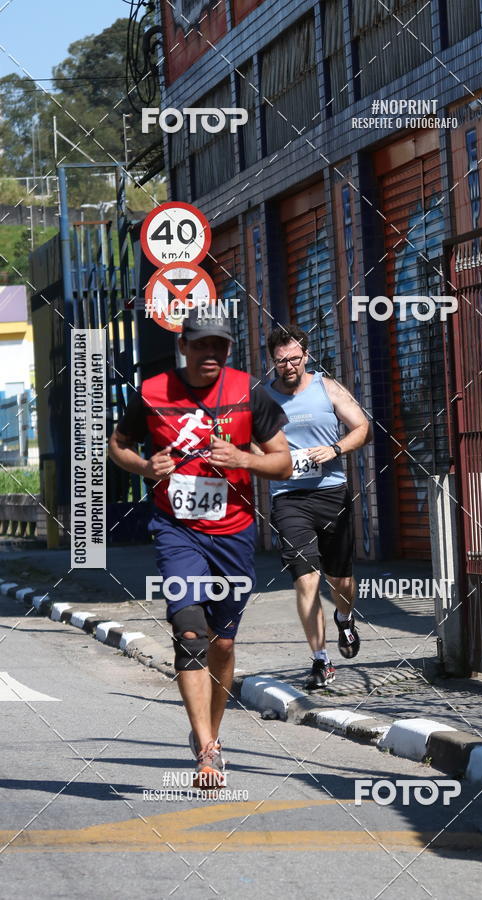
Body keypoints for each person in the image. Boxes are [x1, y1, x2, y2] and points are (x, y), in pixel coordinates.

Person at [108, 308, 291, 785]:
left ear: (228, 349)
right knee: (189, 631)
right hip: (176, 529)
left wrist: (246, 459)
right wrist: (146, 469)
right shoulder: (152, 393)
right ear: (184, 346)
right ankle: (206, 749)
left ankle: (212, 729)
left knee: (223, 642)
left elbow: (285, 464)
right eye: (202, 344)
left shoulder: (249, 392)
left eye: (219, 345)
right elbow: (119, 445)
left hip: (233, 532)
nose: (211, 353)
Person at [263, 325, 371, 690]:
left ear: (306, 356)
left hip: (331, 493)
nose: (289, 366)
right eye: (282, 361)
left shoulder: (328, 388)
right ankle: (321, 661)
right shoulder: (262, 399)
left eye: (295, 358)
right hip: (288, 499)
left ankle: (345, 616)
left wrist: (336, 449)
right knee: (306, 580)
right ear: (272, 362)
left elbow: (361, 427)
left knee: (340, 580)